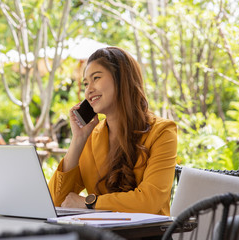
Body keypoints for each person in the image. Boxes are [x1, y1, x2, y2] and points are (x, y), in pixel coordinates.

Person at [48, 47, 177, 215]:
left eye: (96, 78)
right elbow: (55, 201)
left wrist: (90, 202)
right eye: (86, 83)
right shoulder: (91, 136)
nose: (89, 90)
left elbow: (149, 201)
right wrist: (78, 139)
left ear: (122, 80)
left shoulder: (162, 132)